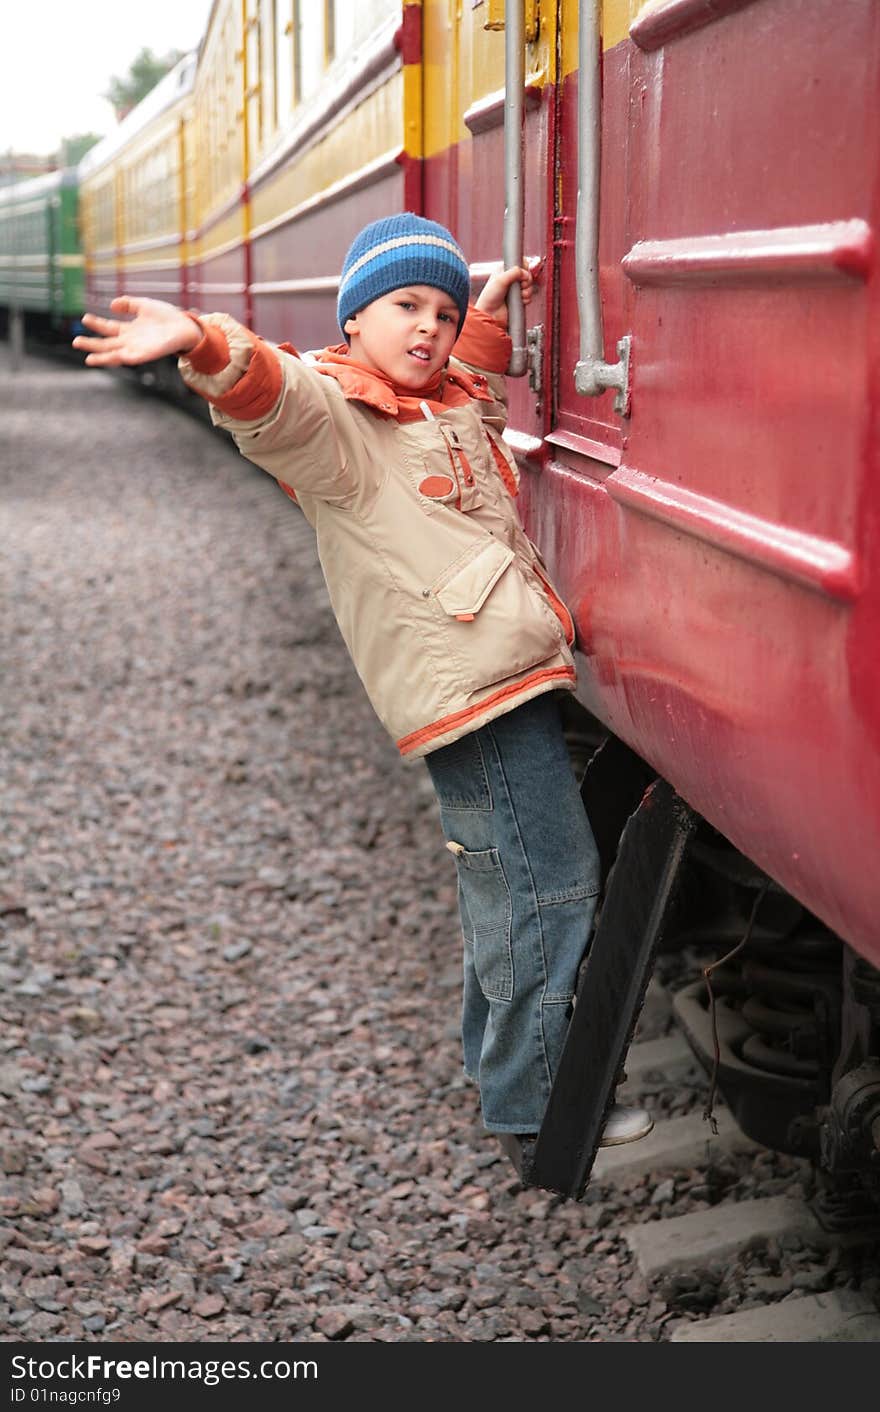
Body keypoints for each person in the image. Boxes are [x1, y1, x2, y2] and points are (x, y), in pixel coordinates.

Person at [73, 213, 652, 1161]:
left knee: (505, 887)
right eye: (403, 307)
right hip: (475, 697)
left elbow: (479, 414)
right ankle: (540, 1103)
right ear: (352, 322)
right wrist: (207, 343)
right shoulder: (341, 424)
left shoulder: (438, 401)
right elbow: (274, 399)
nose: (427, 327)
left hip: (492, 681)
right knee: (548, 888)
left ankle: (501, 1073)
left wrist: (488, 328)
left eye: (442, 311)